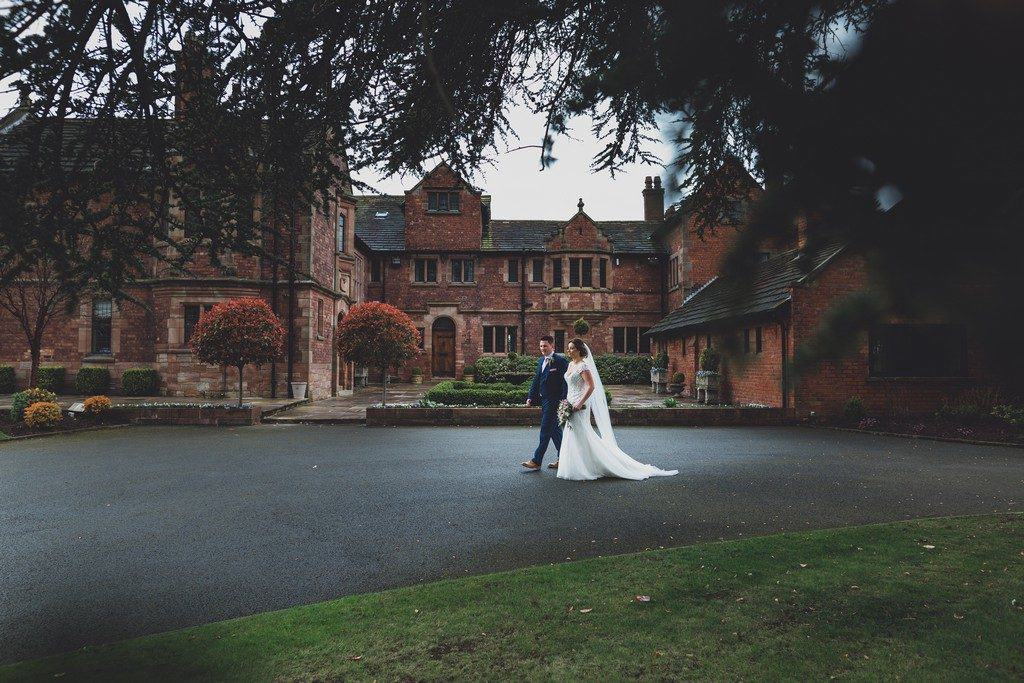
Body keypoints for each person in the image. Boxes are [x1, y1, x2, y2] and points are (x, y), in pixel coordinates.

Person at [557, 338, 678, 481]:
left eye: (571, 348)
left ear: (578, 350)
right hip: (570, 401)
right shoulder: (571, 364)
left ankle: (591, 466)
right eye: (569, 348)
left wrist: (579, 403)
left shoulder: (583, 366)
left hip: (579, 404)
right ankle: (576, 465)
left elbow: (591, 386)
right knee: (572, 433)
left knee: (581, 433)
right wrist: (567, 402)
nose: (569, 350)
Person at [521, 334, 569, 471]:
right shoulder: (541, 360)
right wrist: (531, 396)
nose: (542, 348)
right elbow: (537, 380)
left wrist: (564, 400)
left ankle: (537, 460)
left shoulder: (560, 361)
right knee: (554, 431)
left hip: (555, 401)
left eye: (545, 346)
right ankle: (563, 458)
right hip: (544, 400)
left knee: (545, 430)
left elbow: (565, 382)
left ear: (552, 346)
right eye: (541, 346)